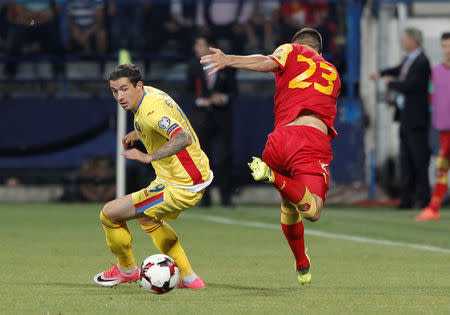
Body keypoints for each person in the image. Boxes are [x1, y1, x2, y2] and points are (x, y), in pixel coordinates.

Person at [201, 28, 340, 284]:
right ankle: (273, 177)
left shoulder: (289, 49)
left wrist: (228, 59)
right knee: (313, 210)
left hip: (278, 142)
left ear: (294, 44)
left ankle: (301, 262)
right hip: (309, 141)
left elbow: (267, 62)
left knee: (290, 204)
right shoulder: (332, 71)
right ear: (319, 52)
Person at [93, 64, 213, 289]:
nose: (119, 96)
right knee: (147, 217)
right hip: (194, 175)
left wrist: (150, 157)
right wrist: (138, 133)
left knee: (109, 214)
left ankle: (126, 270)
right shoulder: (152, 95)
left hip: (180, 186)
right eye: (114, 91)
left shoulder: (151, 112)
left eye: (124, 89)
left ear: (138, 86)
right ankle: (189, 279)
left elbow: (182, 138)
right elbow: (161, 123)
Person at [370, 27, 431, 209]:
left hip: (417, 119)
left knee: (419, 161)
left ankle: (423, 198)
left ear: (413, 41)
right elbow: (397, 70)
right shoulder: (409, 60)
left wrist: (391, 83)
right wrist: (382, 73)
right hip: (405, 117)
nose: (402, 42)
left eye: (405, 39)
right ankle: (406, 199)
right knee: (405, 160)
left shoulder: (422, 62)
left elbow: (410, 85)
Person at [186, 34, 237, 207]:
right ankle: (204, 198)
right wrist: (202, 101)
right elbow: (188, 92)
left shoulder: (226, 66)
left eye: (200, 45)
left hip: (222, 116)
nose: (196, 48)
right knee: (202, 158)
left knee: (224, 157)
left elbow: (233, 91)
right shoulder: (193, 66)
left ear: (210, 47)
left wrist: (222, 98)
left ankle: (226, 198)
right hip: (201, 117)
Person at [414, 32, 450, 221]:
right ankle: (433, 208)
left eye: (449, 46)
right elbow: (430, 98)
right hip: (443, 130)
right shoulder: (435, 72)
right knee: (441, 169)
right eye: (445, 46)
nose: (447, 50)